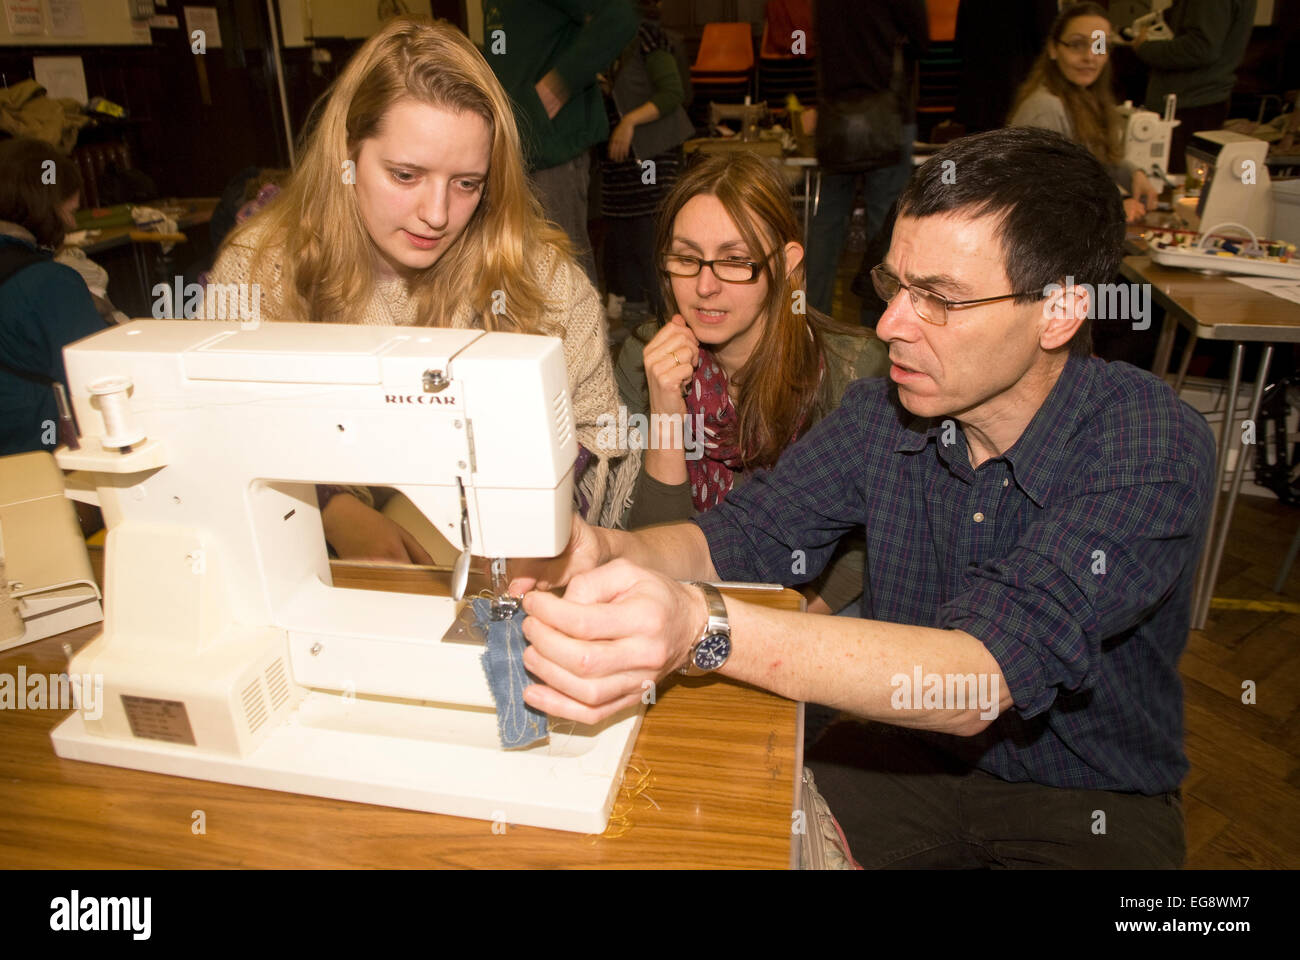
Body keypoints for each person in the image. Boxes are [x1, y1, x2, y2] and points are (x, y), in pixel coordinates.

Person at [509, 127, 1217, 869]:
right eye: (894, 286)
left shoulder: (1149, 443)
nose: (889, 325)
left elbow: (980, 677)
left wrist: (699, 625)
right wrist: (604, 547)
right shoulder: (883, 413)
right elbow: (742, 534)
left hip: (1090, 805)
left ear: (1060, 311)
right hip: (899, 760)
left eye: (938, 300)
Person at [207, 17, 638, 561]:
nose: (436, 216)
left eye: (467, 184)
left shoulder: (545, 286)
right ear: (347, 153)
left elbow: (597, 440)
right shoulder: (258, 274)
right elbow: (219, 435)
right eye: (405, 175)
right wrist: (330, 509)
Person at [614, 151, 887, 614]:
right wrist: (666, 412)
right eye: (686, 258)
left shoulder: (853, 367)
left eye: (735, 261)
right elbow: (651, 556)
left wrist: (784, 626)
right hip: (680, 604)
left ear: (784, 264)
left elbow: (865, 542)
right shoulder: (643, 357)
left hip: (808, 605)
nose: (704, 286)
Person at [483, 0, 637, 283]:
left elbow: (619, 17)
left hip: (550, 146)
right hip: (512, 143)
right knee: (522, 271)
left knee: (564, 270)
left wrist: (557, 87)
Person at [805, 0, 928, 319]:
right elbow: (921, 39)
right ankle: (878, 317)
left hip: (836, 116)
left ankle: (813, 317)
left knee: (827, 224)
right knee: (886, 224)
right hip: (888, 112)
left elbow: (811, 44)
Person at [0, 137, 106, 457]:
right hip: (36, 466)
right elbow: (99, 384)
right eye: (69, 210)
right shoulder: (49, 283)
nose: (71, 223)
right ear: (44, 205)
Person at [1008, 2, 1160, 223]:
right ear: (1053, 49)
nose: (1090, 57)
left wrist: (1133, 174)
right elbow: (1045, 197)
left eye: (1099, 45)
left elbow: (1093, 157)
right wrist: (1112, 208)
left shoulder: (1083, 97)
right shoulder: (1045, 107)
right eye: (1077, 45)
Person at [599, 0, 694, 338]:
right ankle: (637, 339)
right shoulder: (610, 40)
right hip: (621, 167)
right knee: (624, 250)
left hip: (651, 158)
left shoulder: (647, 37)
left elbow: (672, 92)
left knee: (650, 246)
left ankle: (667, 332)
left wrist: (629, 120)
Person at [1130, 0, 1258, 174]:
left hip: (1188, 103)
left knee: (1175, 185)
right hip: (1199, 100)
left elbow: (1201, 48)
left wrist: (1145, 48)